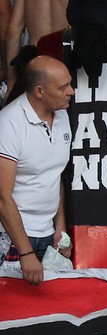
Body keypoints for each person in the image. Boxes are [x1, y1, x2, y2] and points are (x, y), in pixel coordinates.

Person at [0, 56, 74, 285]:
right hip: (13, 238)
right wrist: (25, 252)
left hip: (47, 234)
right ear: (39, 91)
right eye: (63, 87)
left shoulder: (62, 116)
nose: (71, 91)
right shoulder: (9, 123)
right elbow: (2, 196)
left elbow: (54, 175)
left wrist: (60, 228)